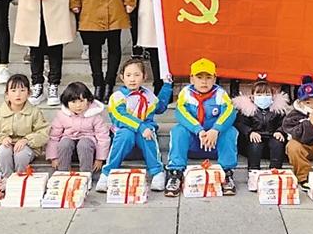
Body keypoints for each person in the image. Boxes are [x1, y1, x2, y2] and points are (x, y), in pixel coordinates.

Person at [96, 58, 174, 192]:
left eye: (137, 75)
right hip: (124, 136)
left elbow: (160, 107)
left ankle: (157, 172)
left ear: (144, 77)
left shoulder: (148, 95)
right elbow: (121, 116)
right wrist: (141, 127)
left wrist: (167, 86)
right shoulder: (117, 97)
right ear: (122, 77)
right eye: (128, 75)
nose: (132, 79)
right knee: (125, 133)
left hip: (144, 135)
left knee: (149, 134)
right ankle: (107, 173)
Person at [164, 58, 238, 197]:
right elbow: (181, 113)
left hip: (214, 144)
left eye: (208, 77)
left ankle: (226, 172)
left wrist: (216, 129)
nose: (204, 82)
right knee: (178, 130)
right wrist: (198, 130)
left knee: (230, 131)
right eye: (199, 77)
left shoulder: (220, 94)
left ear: (215, 78)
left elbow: (230, 112)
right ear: (191, 78)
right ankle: (175, 172)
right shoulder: (186, 93)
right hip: (194, 142)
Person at [0, 74, 50, 176]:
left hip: (27, 147)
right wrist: (1, 138)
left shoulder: (34, 112)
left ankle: (19, 178)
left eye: (22, 90)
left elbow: (43, 133)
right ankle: (7, 177)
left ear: (29, 93)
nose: (18, 94)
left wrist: (27, 140)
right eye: (13, 91)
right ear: (7, 94)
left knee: (21, 153)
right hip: (5, 145)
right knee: (3, 152)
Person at [45, 81, 111, 174]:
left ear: (88, 100)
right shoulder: (62, 115)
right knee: (64, 143)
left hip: (88, 151)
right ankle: (63, 173)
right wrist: (54, 157)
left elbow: (103, 137)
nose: (78, 105)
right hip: (68, 151)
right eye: (73, 102)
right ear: (67, 103)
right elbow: (54, 137)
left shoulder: (94, 115)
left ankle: (86, 174)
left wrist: (100, 158)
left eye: (82, 101)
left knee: (84, 143)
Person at [232, 81, 290, 170]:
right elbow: (240, 124)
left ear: (272, 96)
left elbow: (284, 123)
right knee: (255, 144)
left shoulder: (278, 110)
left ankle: (276, 170)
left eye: (267, 94)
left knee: (277, 142)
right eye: (259, 95)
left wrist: (280, 131)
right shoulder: (246, 110)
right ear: (252, 96)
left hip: (271, 138)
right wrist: (250, 132)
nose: (263, 97)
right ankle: (253, 170)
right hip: (253, 141)